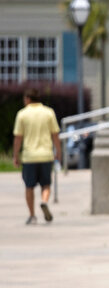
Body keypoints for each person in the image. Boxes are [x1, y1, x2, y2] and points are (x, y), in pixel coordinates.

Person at [12, 88, 61, 225]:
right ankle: (44, 201)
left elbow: (18, 138)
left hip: (29, 156)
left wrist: (15, 155)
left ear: (28, 98)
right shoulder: (48, 112)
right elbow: (55, 134)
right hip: (45, 155)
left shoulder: (22, 114)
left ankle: (32, 215)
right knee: (46, 184)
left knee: (29, 186)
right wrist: (58, 152)